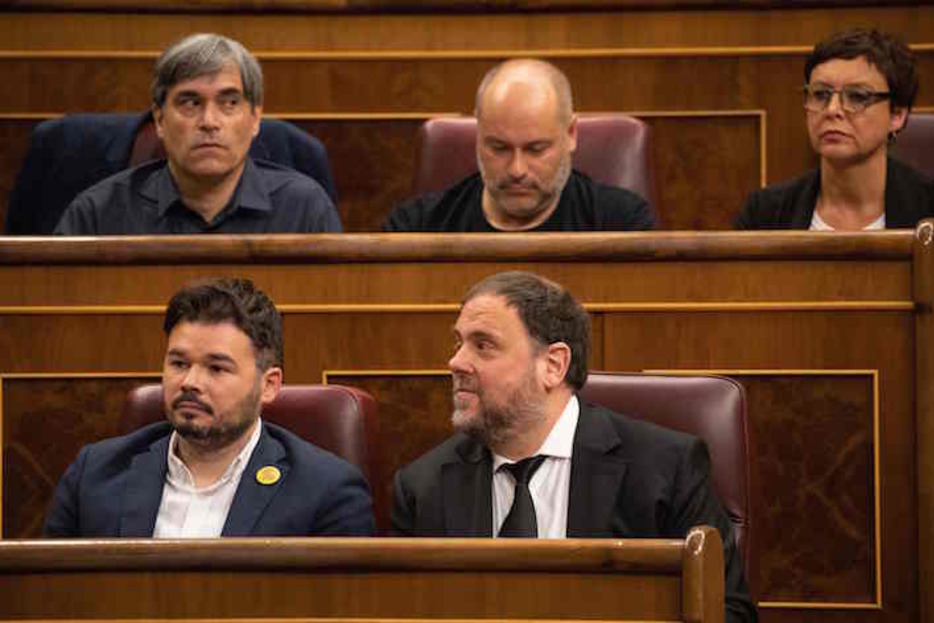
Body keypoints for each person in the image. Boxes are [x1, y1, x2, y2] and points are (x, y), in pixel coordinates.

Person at [391, 271, 756, 623]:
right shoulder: (423, 488)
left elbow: (727, 612)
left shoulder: (665, 468)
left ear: (553, 365)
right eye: (459, 342)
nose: (456, 362)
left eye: (483, 345)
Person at [44, 277, 373, 537]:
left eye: (216, 368)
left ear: (268, 385)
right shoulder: (95, 474)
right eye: (178, 363)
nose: (190, 382)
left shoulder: (326, 491)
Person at [54, 34, 341, 235]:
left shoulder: (305, 210)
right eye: (190, 103)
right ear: (159, 119)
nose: (209, 122)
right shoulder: (97, 215)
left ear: (255, 119)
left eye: (229, 103)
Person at [383, 59, 655, 232]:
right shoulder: (415, 227)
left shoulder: (624, 224)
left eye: (536, 149)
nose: (517, 170)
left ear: (571, 134)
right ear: (478, 137)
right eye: (499, 148)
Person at [737, 28, 934, 230]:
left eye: (858, 96)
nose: (832, 110)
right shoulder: (764, 214)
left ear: (897, 115)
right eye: (821, 94)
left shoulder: (929, 208)